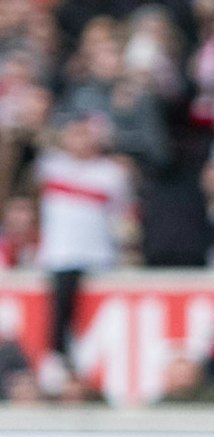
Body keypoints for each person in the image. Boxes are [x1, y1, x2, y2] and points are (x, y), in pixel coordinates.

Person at [36, 115, 132, 379]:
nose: (80, 141)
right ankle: (55, 357)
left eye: (85, 134)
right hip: (61, 252)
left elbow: (122, 216)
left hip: (100, 255)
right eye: (74, 134)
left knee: (103, 314)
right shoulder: (50, 166)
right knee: (62, 307)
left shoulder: (111, 173)